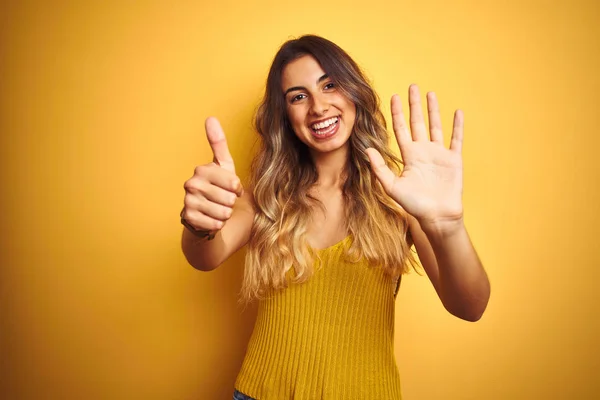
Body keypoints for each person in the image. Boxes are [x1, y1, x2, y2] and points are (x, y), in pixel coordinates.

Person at [181, 35, 490, 400]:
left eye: (330, 85)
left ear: (353, 92)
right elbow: (205, 256)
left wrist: (448, 226)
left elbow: (469, 306)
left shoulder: (401, 196)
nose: (318, 106)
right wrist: (199, 225)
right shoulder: (265, 199)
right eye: (298, 96)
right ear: (285, 116)